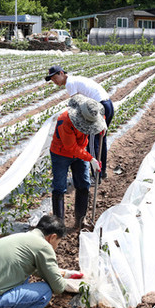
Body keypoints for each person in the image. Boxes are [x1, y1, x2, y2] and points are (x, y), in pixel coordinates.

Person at [46, 66, 113, 181]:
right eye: (52, 80)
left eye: (54, 78)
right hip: (108, 105)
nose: (54, 82)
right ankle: (102, 172)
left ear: (61, 73)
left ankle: (96, 176)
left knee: (93, 142)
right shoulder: (75, 79)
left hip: (98, 108)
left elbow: (76, 104)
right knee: (101, 139)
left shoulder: (70, 83)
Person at [50, 95, 106, 229]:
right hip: (61, 154)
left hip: (80, 151)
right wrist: (90, 158)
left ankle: (81, 220)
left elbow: (102, 119)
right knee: (59, 187)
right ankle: (59, 226)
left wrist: (102, 128)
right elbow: (71, 147)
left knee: (84, 183)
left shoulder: (93, 113)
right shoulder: (65, 121)